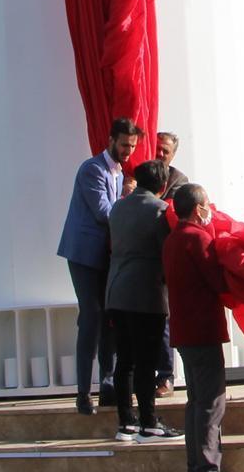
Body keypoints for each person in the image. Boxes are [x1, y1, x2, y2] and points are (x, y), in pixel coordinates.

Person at [58, 118, 144, 414]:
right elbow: (104, 212)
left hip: (106, 255)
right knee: (91, 316)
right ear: (111, 140)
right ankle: (84, 392)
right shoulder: (92, 169)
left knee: (110, 318)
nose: (128, 151)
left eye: (132, 146)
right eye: (124, 145)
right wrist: (132, 210)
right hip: (84, 254)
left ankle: (107, 383)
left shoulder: (118, 173)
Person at [163, 182, 241, 472]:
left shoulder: (172, 240)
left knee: (196, 401)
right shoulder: (197, 238)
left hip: (183, 330)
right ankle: (208, 471)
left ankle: (196, 468)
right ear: (198, 209)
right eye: (207, 204)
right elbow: (217, 280)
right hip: (202, 329)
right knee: (211, 401)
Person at [106, 158, 178, 443]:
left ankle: (126, 422)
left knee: (124, 360)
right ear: (163, 184)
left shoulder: (117, 207)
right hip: (146, 292)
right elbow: (167, 251)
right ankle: (149, 421)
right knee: (147, 361)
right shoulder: (159, 210)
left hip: (116, 290)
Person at [153, 132, 188, 397]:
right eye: (157, 148)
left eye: (165, 150)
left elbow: (167, 212)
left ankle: (166, 376)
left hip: (163, 260)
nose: (160, 154)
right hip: (139, 259)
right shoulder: (135, 174)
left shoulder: (178, 181)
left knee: (164, 320)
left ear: (173, 154)